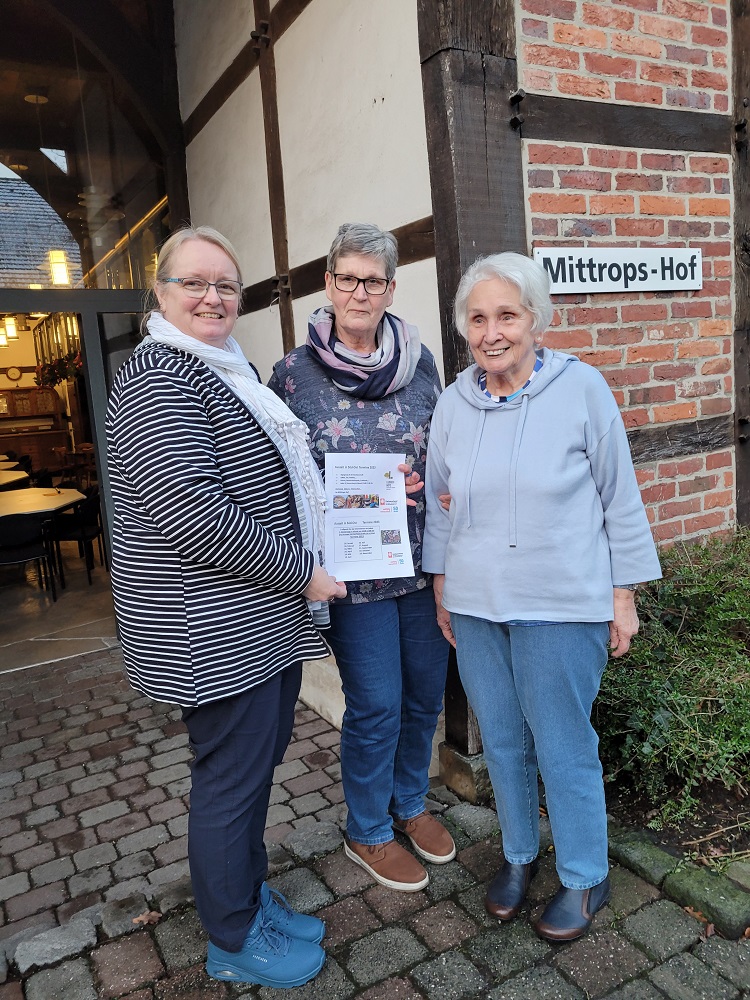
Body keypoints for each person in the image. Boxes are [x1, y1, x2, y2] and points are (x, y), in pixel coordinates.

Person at [106, 226, 346, 988]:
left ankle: (246, 895)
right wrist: (302, 572)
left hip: (253, 622)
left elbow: (277, 475)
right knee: (230, 781)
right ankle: (232, 934)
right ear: (161, 291)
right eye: (195, 283)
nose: (213, 297)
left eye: (227, 285)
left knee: (251, 773)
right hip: (209, 631)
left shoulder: (220, 369)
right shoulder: (160, 378)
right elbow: (193, 514)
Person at [423, 252, 661, 942]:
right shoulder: (452, 403)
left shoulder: (582, 389)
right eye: (477, 317)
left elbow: (621, 497)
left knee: (562, 744)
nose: (491, 331)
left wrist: (622, 595)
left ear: (536, 320)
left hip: (561, 602)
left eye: (507, 315)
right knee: (502, 741)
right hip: (475, 602)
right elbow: (441, 509)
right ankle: (521, 856)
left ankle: (587, 875)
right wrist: (442, 587)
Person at [268, 222, 454, 892]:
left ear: (391, 288)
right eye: (347, 277)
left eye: (373, 280)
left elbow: (443, 448)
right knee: (376, 703)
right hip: (353, 579)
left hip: (420, 565)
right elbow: (276, 474)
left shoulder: (421, 361)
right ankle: (367, 829)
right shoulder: (292, 374)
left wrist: (424, 479)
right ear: (328, 284)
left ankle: (409, 805)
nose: (359, 291)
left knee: (425, 695)